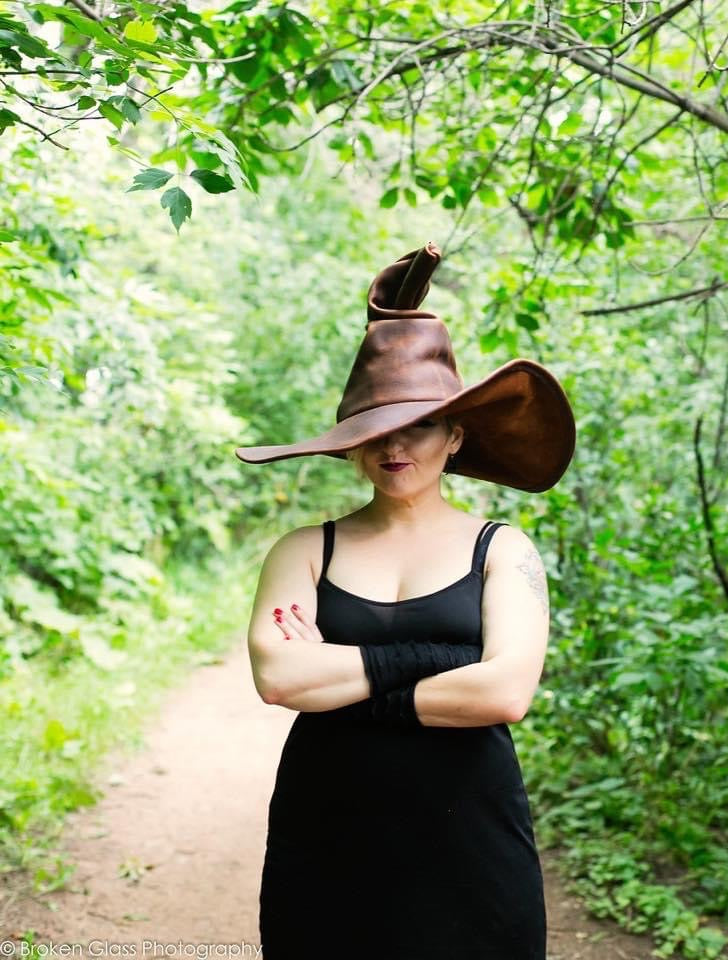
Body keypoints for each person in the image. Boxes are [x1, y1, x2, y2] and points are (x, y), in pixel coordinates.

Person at [235, 243, 576, 959]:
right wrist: (446, 658)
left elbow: (505, 692)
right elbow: (280, 679)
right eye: (375, 432)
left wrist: (339, 672)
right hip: (327, 825)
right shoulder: (302, 550)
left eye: (418, 426)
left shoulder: (504, 550)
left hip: (472, 835)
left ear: (454, 436)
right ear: (351, 447)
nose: (396, 447)